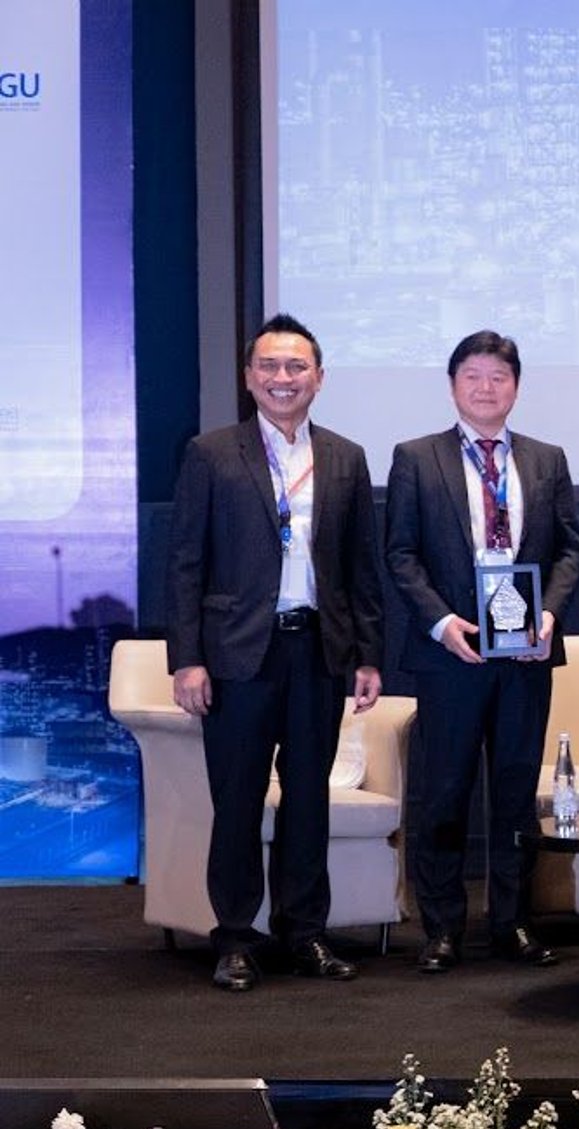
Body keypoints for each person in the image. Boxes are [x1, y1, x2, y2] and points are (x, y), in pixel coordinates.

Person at [165, 313, 383, 992]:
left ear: (318, 377)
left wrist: (369, 657)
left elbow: (361, 567)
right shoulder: (211, 453)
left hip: (318, 650)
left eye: (296, 367)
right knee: (237, 802)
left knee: (308, 802)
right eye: (269, 366)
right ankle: (235, 938)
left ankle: (304, 934)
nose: (282, 378)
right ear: (249, 377)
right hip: (236, 657)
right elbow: (184, 565)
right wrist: (187, 658)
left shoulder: (345, 457)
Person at [385, 330, 579, 975]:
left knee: (513, 796)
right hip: (451, 655)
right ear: (453, 385)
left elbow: (570, 549)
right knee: (442, 795)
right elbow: (400, 554)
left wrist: (550, 615)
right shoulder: (417, 457)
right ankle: (442, 928)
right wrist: (442, 623)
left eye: (498, 377)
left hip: (526, 656)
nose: (485, 388)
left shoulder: (545, 458)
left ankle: (513, 923)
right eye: (472, 376)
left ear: (516, 386)